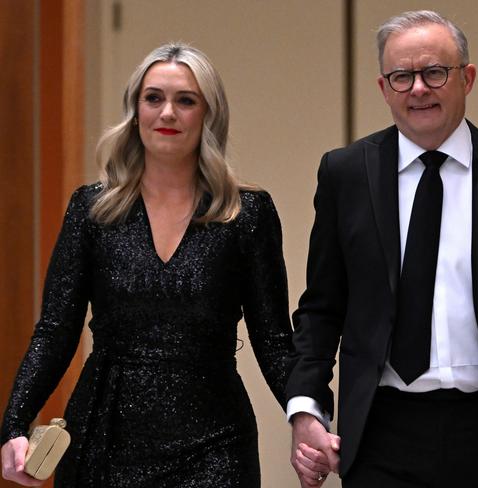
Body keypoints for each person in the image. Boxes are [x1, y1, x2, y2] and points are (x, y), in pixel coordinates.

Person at [286, 10, 478, 488]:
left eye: (434, 72)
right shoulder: (345, 175)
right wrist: (306, 407)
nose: (418, 89)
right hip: (381, 433)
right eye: (401, 76)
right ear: (382, 88)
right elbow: (322, 308)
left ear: (466, 78)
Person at [1, 43, 293, 488]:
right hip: (105, 436)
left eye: (186, 100)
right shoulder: (92, 210)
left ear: (208, 115)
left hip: (215, 443)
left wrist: (309, 414)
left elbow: (273, 340)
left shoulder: (246, 213)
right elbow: (56, 331)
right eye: (153, 98)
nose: (168, 113)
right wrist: (15, 424)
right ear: (135, 111)